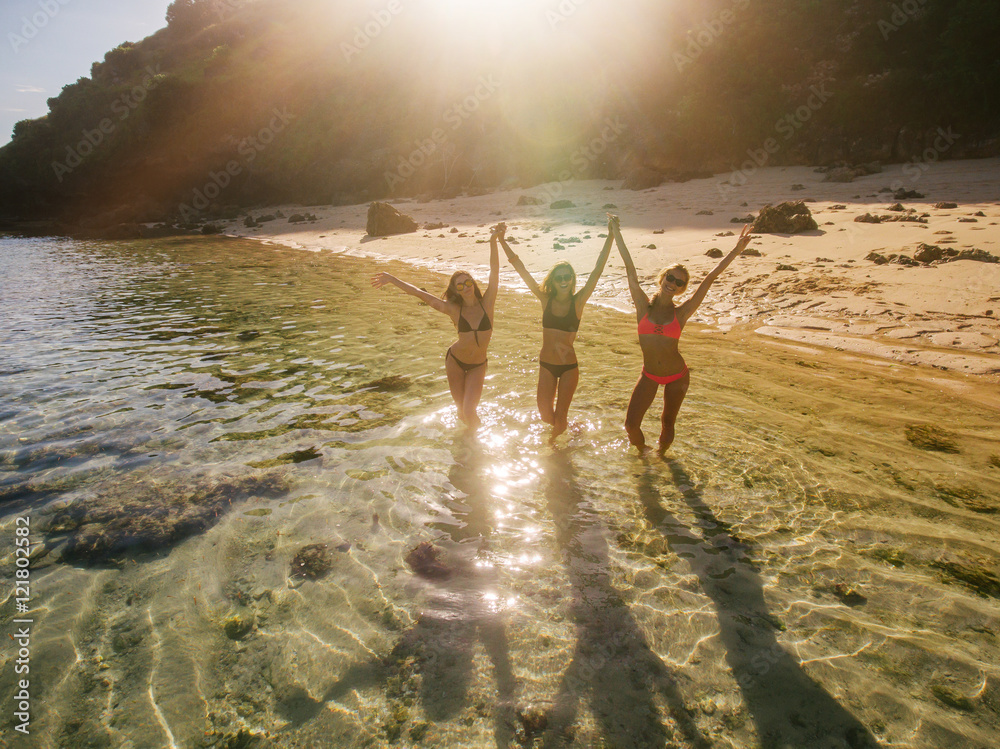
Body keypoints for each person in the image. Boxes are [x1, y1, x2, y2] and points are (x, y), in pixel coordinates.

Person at [611, 219, 753, 454]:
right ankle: (645, 455)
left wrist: (736, 251)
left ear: (682, 289)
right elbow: (630, 269)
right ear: (662, 278)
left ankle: (662, 457)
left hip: (678, 376)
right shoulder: (642, 307)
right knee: (630, 425)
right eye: (670, 278)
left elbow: (709, 279)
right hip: (649, 374)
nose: (673, 284)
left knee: (667, 422)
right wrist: (616, 233)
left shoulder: (682, 312)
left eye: (679, 282)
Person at [371, 224, 501, 428]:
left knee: (469, 410)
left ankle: (480, 449)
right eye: (460, 286)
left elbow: (495, 271)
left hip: (478, 365)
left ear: (473, 283)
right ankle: (469, 446)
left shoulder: (488, 303)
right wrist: (392, 279)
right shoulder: (453, 309)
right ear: (456, 291)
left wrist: (493, 241)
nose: (465, 288)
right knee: (461, 412)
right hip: (455, 361)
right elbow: (420, 294)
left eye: (468, 283)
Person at [497, 218, 614, 437]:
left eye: (567, 276)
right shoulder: (545, 300)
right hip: (546, 365)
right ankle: (567, 434)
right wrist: (503, 242)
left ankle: (555, 452)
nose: (563, 280)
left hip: (569, 367)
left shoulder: (578, 302)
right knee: (544, 414)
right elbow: (521, 270)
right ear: (553, 280)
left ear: (572, 279)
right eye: (559, 277)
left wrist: (610, 237)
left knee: (560, 416)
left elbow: (597, 271)